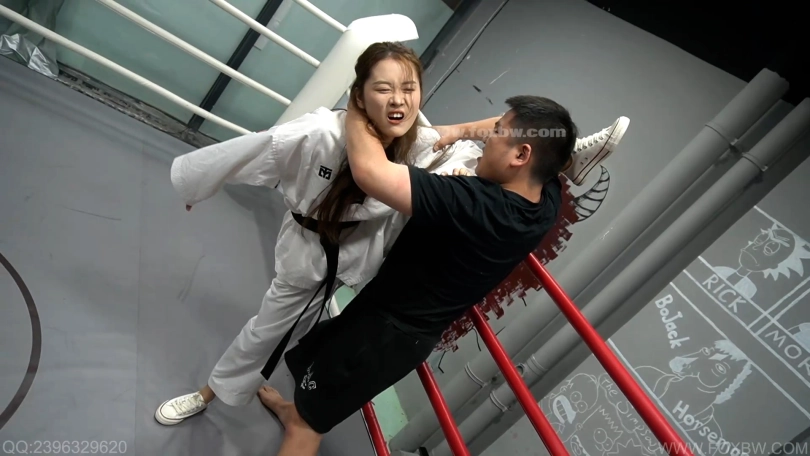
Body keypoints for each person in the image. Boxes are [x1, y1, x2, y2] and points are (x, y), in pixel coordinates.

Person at [155, 41, 628, 426]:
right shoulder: (321, 132)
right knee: (268, 330)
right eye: (383, 89)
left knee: (464, 160)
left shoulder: (416, 138)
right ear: (360, 94)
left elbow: (503, 133)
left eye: (410, 88)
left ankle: (566, 157)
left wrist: (457, 132)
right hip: (312, 254)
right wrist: (201, 184)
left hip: (370, 256)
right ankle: (209, 393)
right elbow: (253, 152)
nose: (399, 100)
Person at [257, 94, 584, 456]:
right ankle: (295, 411)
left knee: (309, 426)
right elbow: (553, 151)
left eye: (496, 133)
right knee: (312, 383)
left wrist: (361, 108)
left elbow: (370, 173)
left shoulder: (472, 202)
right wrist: (458, 131)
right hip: (389, 319)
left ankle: (299, 422)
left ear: (521, 155)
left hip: (381, 337)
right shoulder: (545, 199)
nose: (487, 136)